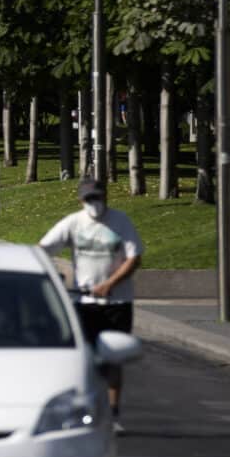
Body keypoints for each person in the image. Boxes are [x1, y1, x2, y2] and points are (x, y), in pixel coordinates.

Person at [40, 178, 144, 421]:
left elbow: (134, 257)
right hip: (85, 304)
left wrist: (109, 284)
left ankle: (113, 412)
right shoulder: (74, 223)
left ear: (105, 197)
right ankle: (86, 409)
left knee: (113, 359)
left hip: (117, 303)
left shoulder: (120, 222)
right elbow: (44, 248)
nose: (94, 204)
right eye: (89, 199)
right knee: (83, 359)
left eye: (98, 198)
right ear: (81, 200)